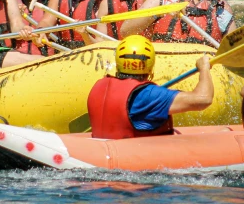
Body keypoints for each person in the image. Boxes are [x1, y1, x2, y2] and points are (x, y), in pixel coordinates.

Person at [86, 35, 214, 139]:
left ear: (118, 63)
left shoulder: (99, 85)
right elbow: (203, 99)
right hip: (136, 164)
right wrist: (204, 68)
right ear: (150, 67)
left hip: (104, 153)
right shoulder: (149, 95)